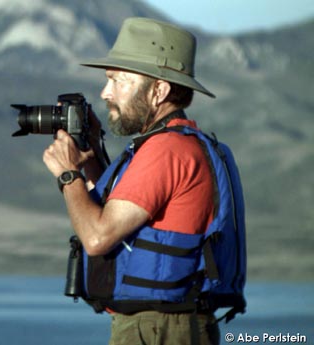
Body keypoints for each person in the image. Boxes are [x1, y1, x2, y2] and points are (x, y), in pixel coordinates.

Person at [42, 17, 232, 344]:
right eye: (107, 81)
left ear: (159, 90)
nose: (105, 93)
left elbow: (99, 237)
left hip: (157, 330)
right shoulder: (179, 144)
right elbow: (126, 213)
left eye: (118, 81)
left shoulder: (166, 151)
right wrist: (91, 160)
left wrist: (68, 174)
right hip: (168, 324)